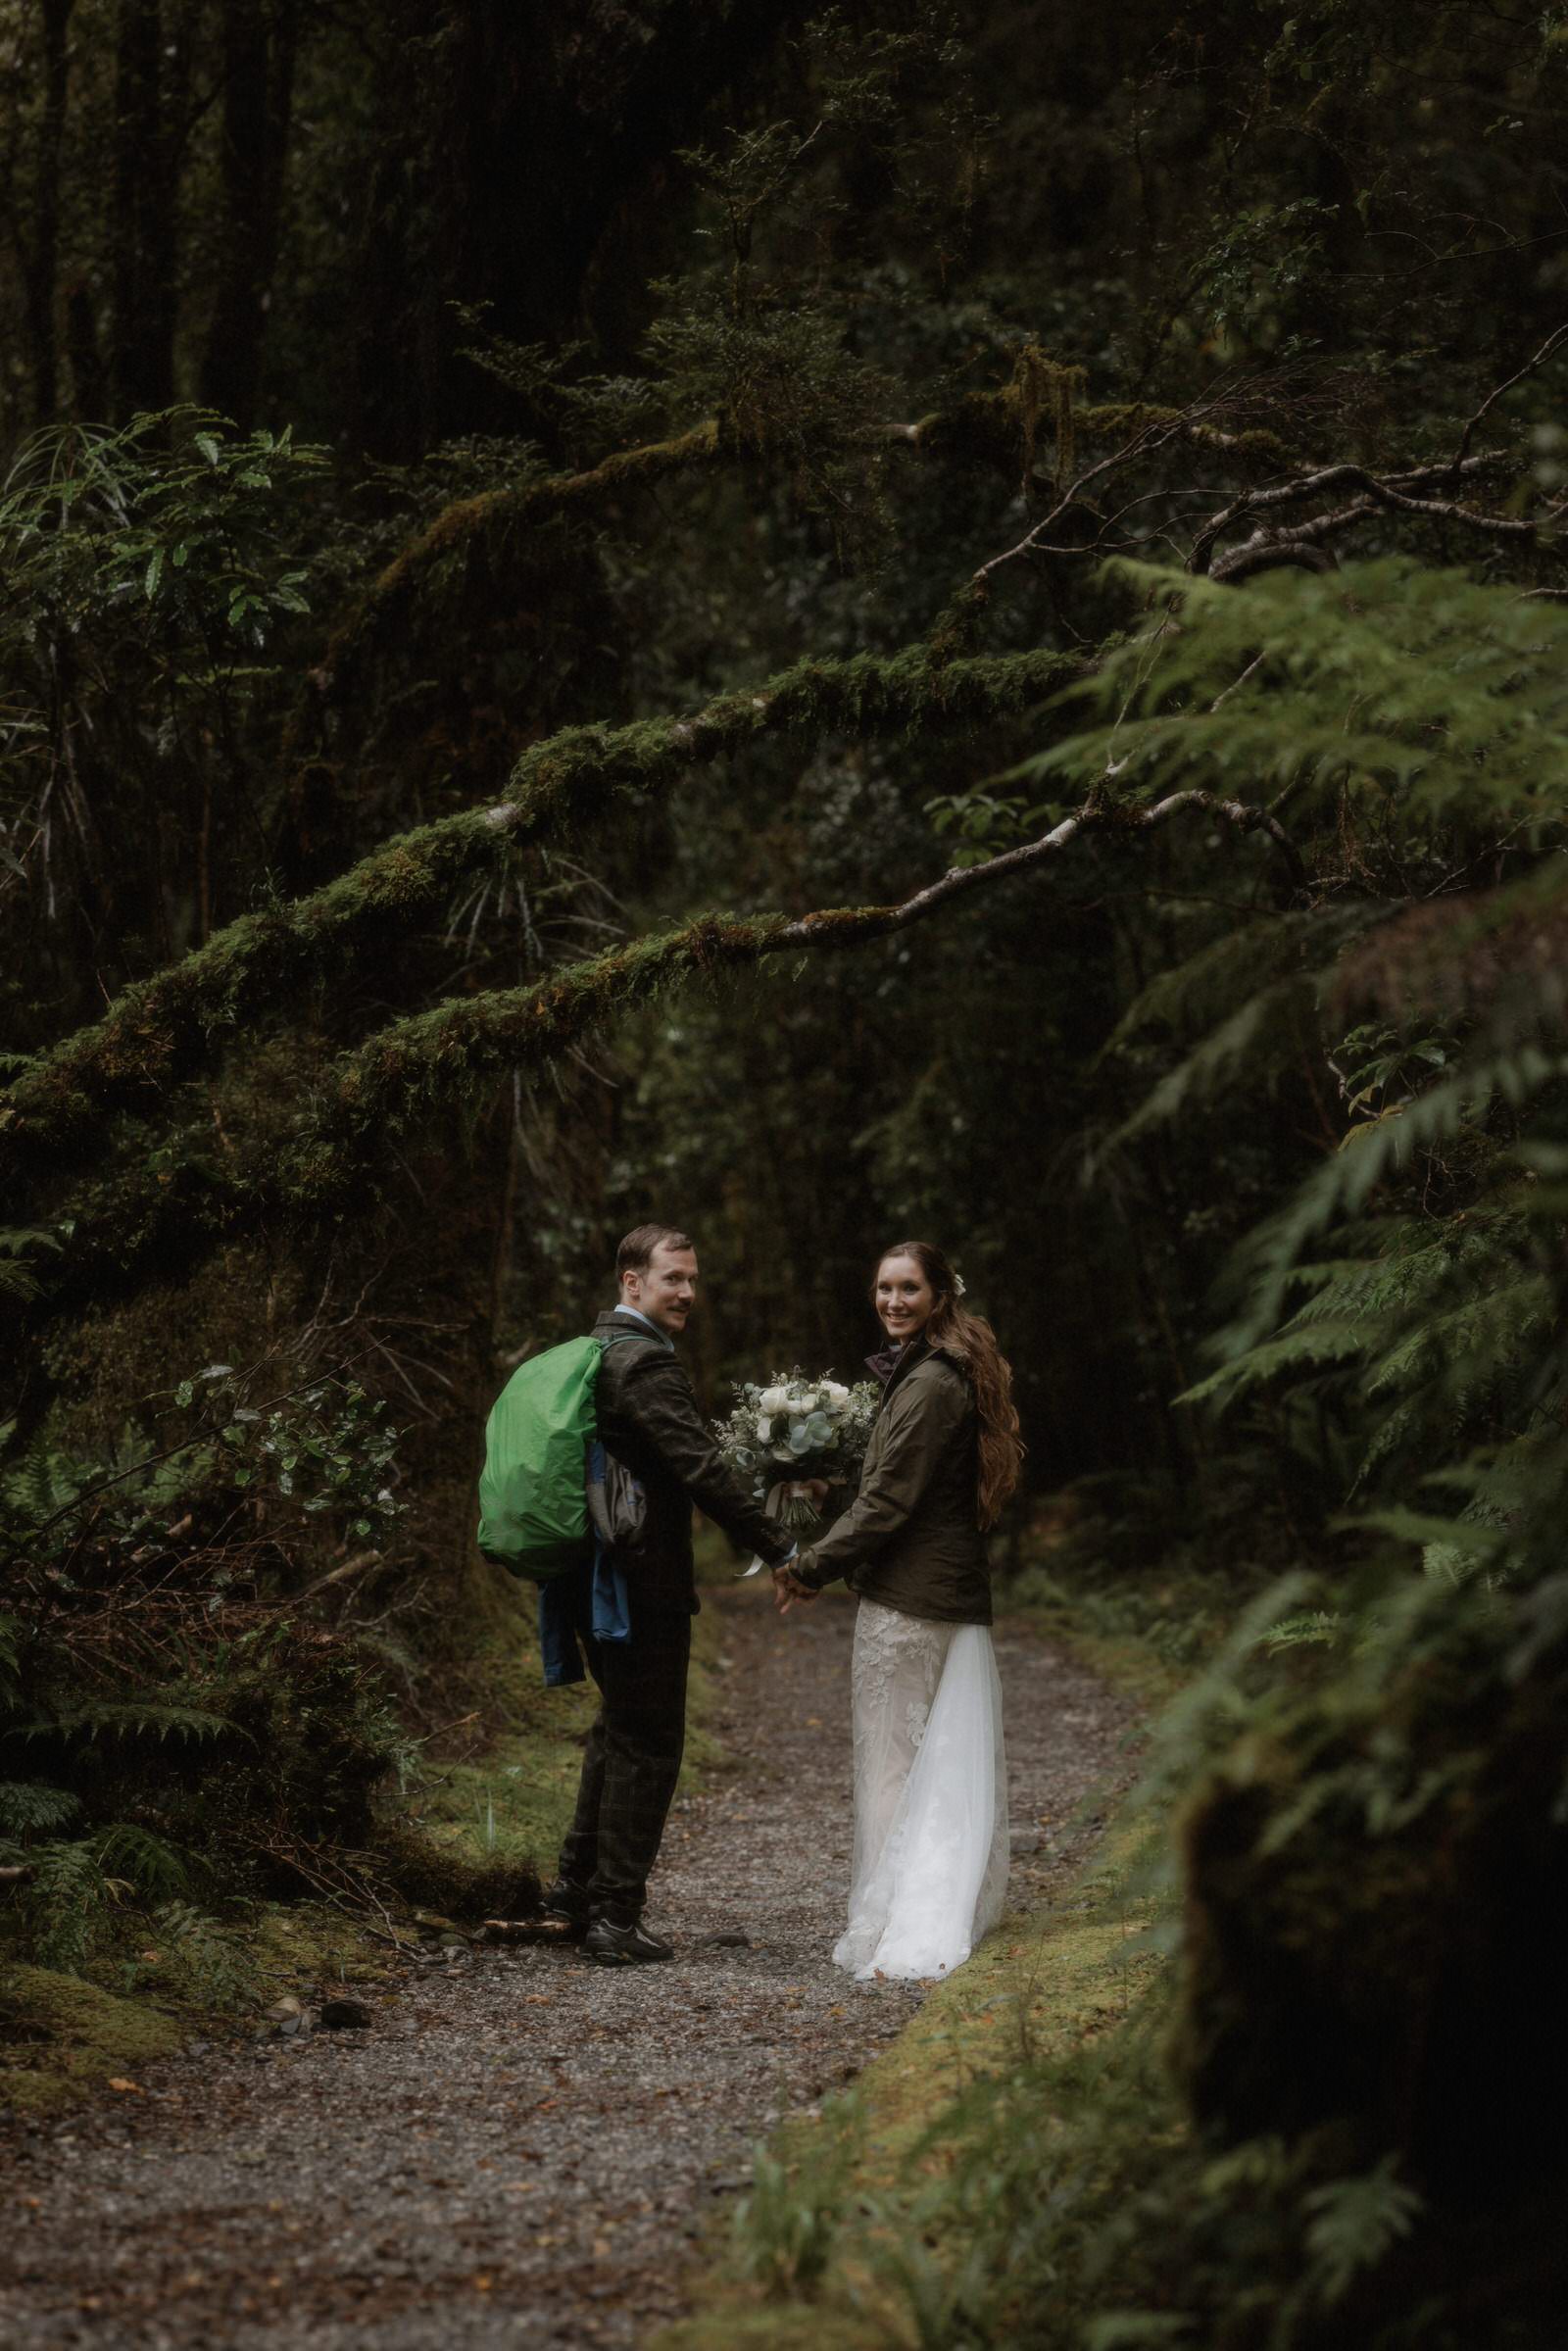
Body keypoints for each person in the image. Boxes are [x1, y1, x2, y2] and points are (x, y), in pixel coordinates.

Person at [544, 1223, 798, 1966]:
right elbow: (702, 1470)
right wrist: (778, 1543)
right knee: (649, 1742)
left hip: (600, 1577)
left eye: (692, 1278)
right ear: (632, 1282)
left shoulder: (597, 1349)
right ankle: (615, 1916)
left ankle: (575, 1892)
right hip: (640, 1582)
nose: (687, 1291)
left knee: (619, 1730)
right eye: (672, 1278)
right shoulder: (643, 1362)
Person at [774, 1241, 1022, 1981]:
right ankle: (938, 1901)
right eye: (883, 1287)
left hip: (911, 1602)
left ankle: (899, 1920)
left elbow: (890, 1504)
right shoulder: (939, 1371)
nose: (892, 1300)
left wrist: (810, 1564)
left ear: (940, 1293)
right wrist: (829, 1492)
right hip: (947, 1594)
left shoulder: (929, 1382)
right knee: (938, 1760)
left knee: (891, 1765)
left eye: (908, 1288)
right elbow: (899, 1483)